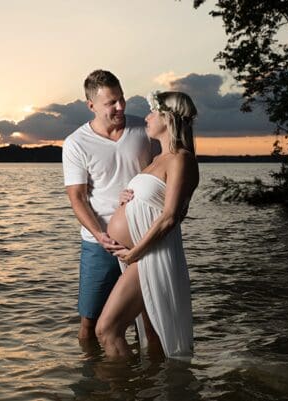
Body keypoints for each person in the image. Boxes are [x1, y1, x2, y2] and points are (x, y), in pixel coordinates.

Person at [95, 90, 199, 359]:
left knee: (106, 330)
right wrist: (125, 198)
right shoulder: (157, 159)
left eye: (153, 112)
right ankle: (150, 388)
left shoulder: (182, 159)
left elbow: (170, 216)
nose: (147, 117)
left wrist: (134, 253)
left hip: (149, 256)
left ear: (169, 118)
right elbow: (151, 201)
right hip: (138, 256)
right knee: (151, 339)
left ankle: (121, 392)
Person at [62, 70, 154, 341]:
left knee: (147, 322)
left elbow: (166, 172)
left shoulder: (144, 129)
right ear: (91, 105)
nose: (120, 107)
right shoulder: (76, 143)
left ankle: (145, 380)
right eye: (111, 102)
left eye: (122, 99)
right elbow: (77, 198)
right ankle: (91, 380)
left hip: (143, 239)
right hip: (99, 244)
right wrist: (100, 236)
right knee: (90, 322)